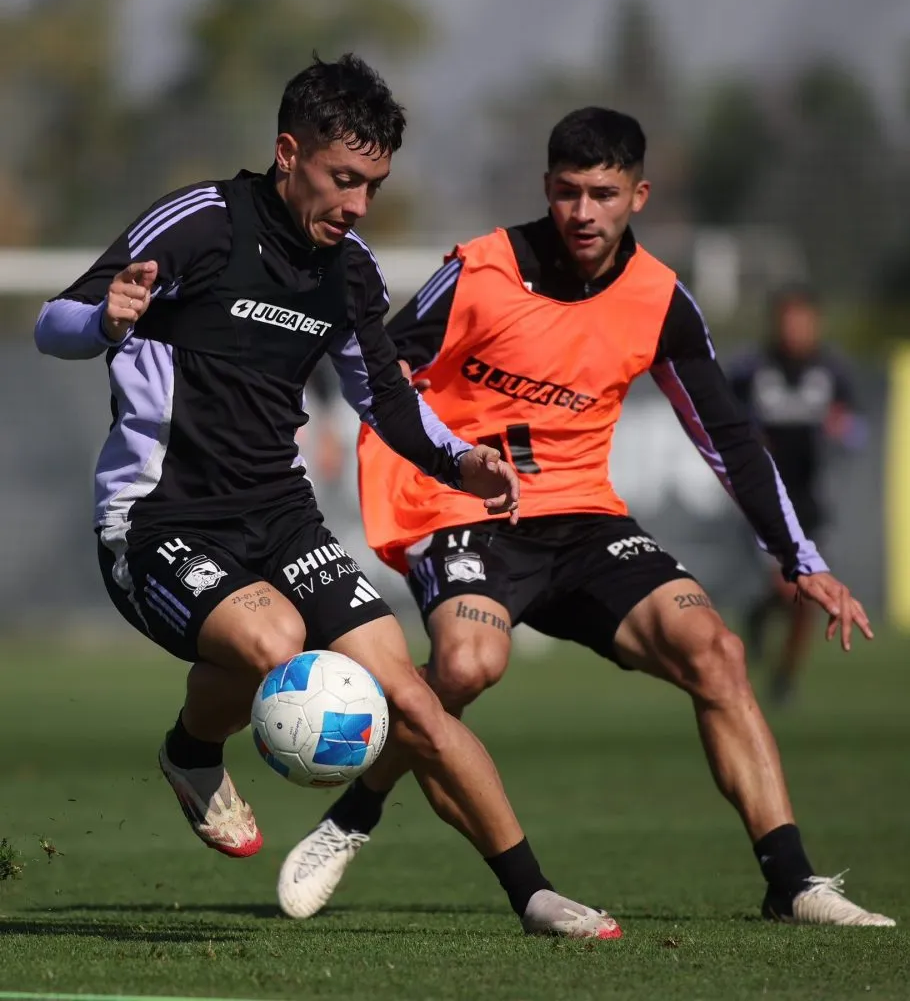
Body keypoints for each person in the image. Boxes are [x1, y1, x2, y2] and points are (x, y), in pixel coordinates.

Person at [33, 56, 621, 940]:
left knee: (413, 700)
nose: (355, 204)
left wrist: (462, 463)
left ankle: (534, 895)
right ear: (287, 153)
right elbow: (54, 325)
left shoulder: (346, 273)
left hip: (279, 515)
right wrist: (107, 318)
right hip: (157, 522)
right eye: (342, 179)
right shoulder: (200, 224)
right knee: (272, 637)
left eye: (372, 186)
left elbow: (385, 398)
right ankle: (196, 751)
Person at [280, 106, 895, 928]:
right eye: (568, 192)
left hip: (582, 519)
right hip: (467, 507)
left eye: (603, 194)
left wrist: (801, 558)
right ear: (546, 188)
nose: (582, 212)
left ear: (637, 195)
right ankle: (355, 818)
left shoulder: (659, 300)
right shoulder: (483, 269)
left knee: (715, 651)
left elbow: (729, 438)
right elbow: (380, 369)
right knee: (465, 666)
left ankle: (792, 882)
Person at [728, 288, 866, 704]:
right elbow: (720, 420)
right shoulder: (751, 370)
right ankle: (763, 616)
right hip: (764, 501)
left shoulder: (832, 371)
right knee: (795, 589)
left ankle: (785, 674)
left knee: (806, 595)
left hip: (811, 502)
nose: (795, 329)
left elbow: (858, 430)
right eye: (788, 320)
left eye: (803, 320)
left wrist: (845, 429)